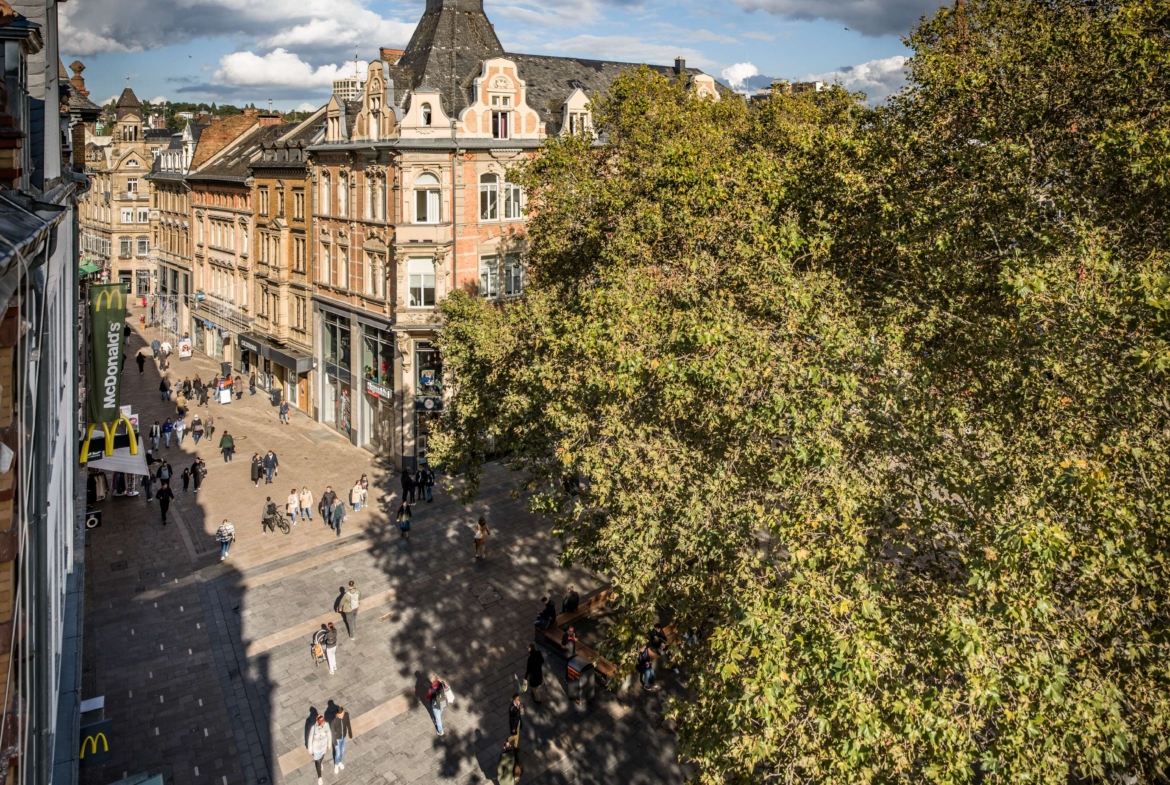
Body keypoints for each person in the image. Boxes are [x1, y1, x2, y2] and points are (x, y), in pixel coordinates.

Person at [306, 714, 333, 785]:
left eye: (324, 722)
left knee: (322, 757)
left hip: (324, 746)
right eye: (322, 722)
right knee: (317, 761)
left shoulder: (326, 725)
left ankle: (321, 762)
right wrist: (310, 749)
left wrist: (329, 744)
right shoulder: (313, 728)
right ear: (318, 722)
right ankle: (320, 777)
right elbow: (310, 738)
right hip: (316, 748)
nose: (323, 723)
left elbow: (329, 734)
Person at [331, 705, 353, 774]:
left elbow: (348, 724)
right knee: (337, 753)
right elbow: (332, 733)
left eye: (342, 714)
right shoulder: (334, 721)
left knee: (342, 752)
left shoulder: (346, 715)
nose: (342, 716)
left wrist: (350, 733)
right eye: (340, 715)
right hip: (337, 739)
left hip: (343, 737)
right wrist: (335, 743)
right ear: (337, 715)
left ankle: (340, 762)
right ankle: (336, 765)